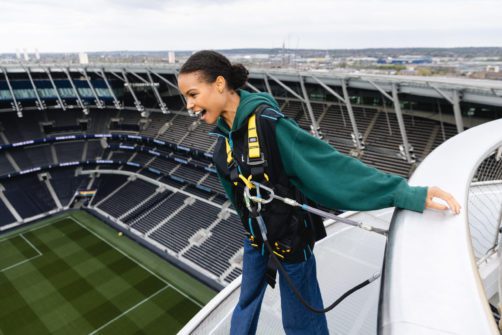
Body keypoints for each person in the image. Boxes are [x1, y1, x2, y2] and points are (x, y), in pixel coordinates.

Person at [177, 50, 461, 335]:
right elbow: (240, 205)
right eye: (186, 97)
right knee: (244, 310)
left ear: (219, 84)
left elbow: (330, 168)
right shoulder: (220, 148)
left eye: (193, 94)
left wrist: (407, 194)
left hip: (289, 242)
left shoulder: (269, 125)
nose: (189, 105)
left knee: (301, 323)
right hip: (258, 241)